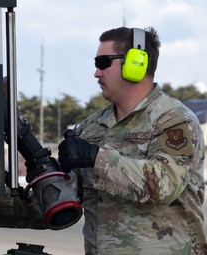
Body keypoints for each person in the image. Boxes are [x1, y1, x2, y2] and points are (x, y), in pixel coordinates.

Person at [58, 26, 207, 255]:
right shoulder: (90, 129)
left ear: (136, 63)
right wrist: (6, 197)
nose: (96, 73)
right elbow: (65, 199)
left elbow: (165, 185)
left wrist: (95, 158)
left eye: (103, 62)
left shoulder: (175, 120)